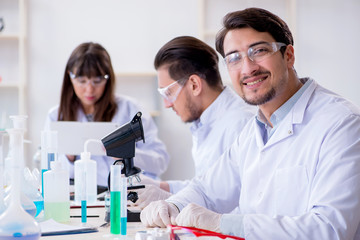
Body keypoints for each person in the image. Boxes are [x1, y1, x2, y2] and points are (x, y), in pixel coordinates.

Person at [140, 8, 360, 239]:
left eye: (259, 51)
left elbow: (330, 229)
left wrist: (221, 223)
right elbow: (208, 190)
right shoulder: (255, 130)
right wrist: (172, 205)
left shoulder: (342, 124)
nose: (247, 68)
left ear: (289, 56)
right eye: (234, 58)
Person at [133, 36, 255, 209]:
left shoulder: (240, 125)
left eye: (168, 93)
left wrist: (172, 201)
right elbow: (208, 187)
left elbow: (236, 205)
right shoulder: (205, 122)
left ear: (195, 85)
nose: (167, 104)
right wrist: (162, 187)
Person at [44, 42, 169, 189]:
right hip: (81, 196)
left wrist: (127, 155)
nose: (89, 89)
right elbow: (47, 169)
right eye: (81, 81)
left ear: (108, 78)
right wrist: (69, 158)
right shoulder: (56, 115)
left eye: (97, 81)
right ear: (70, 77)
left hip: (124, 193)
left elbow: (161, 161)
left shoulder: (130, 109)